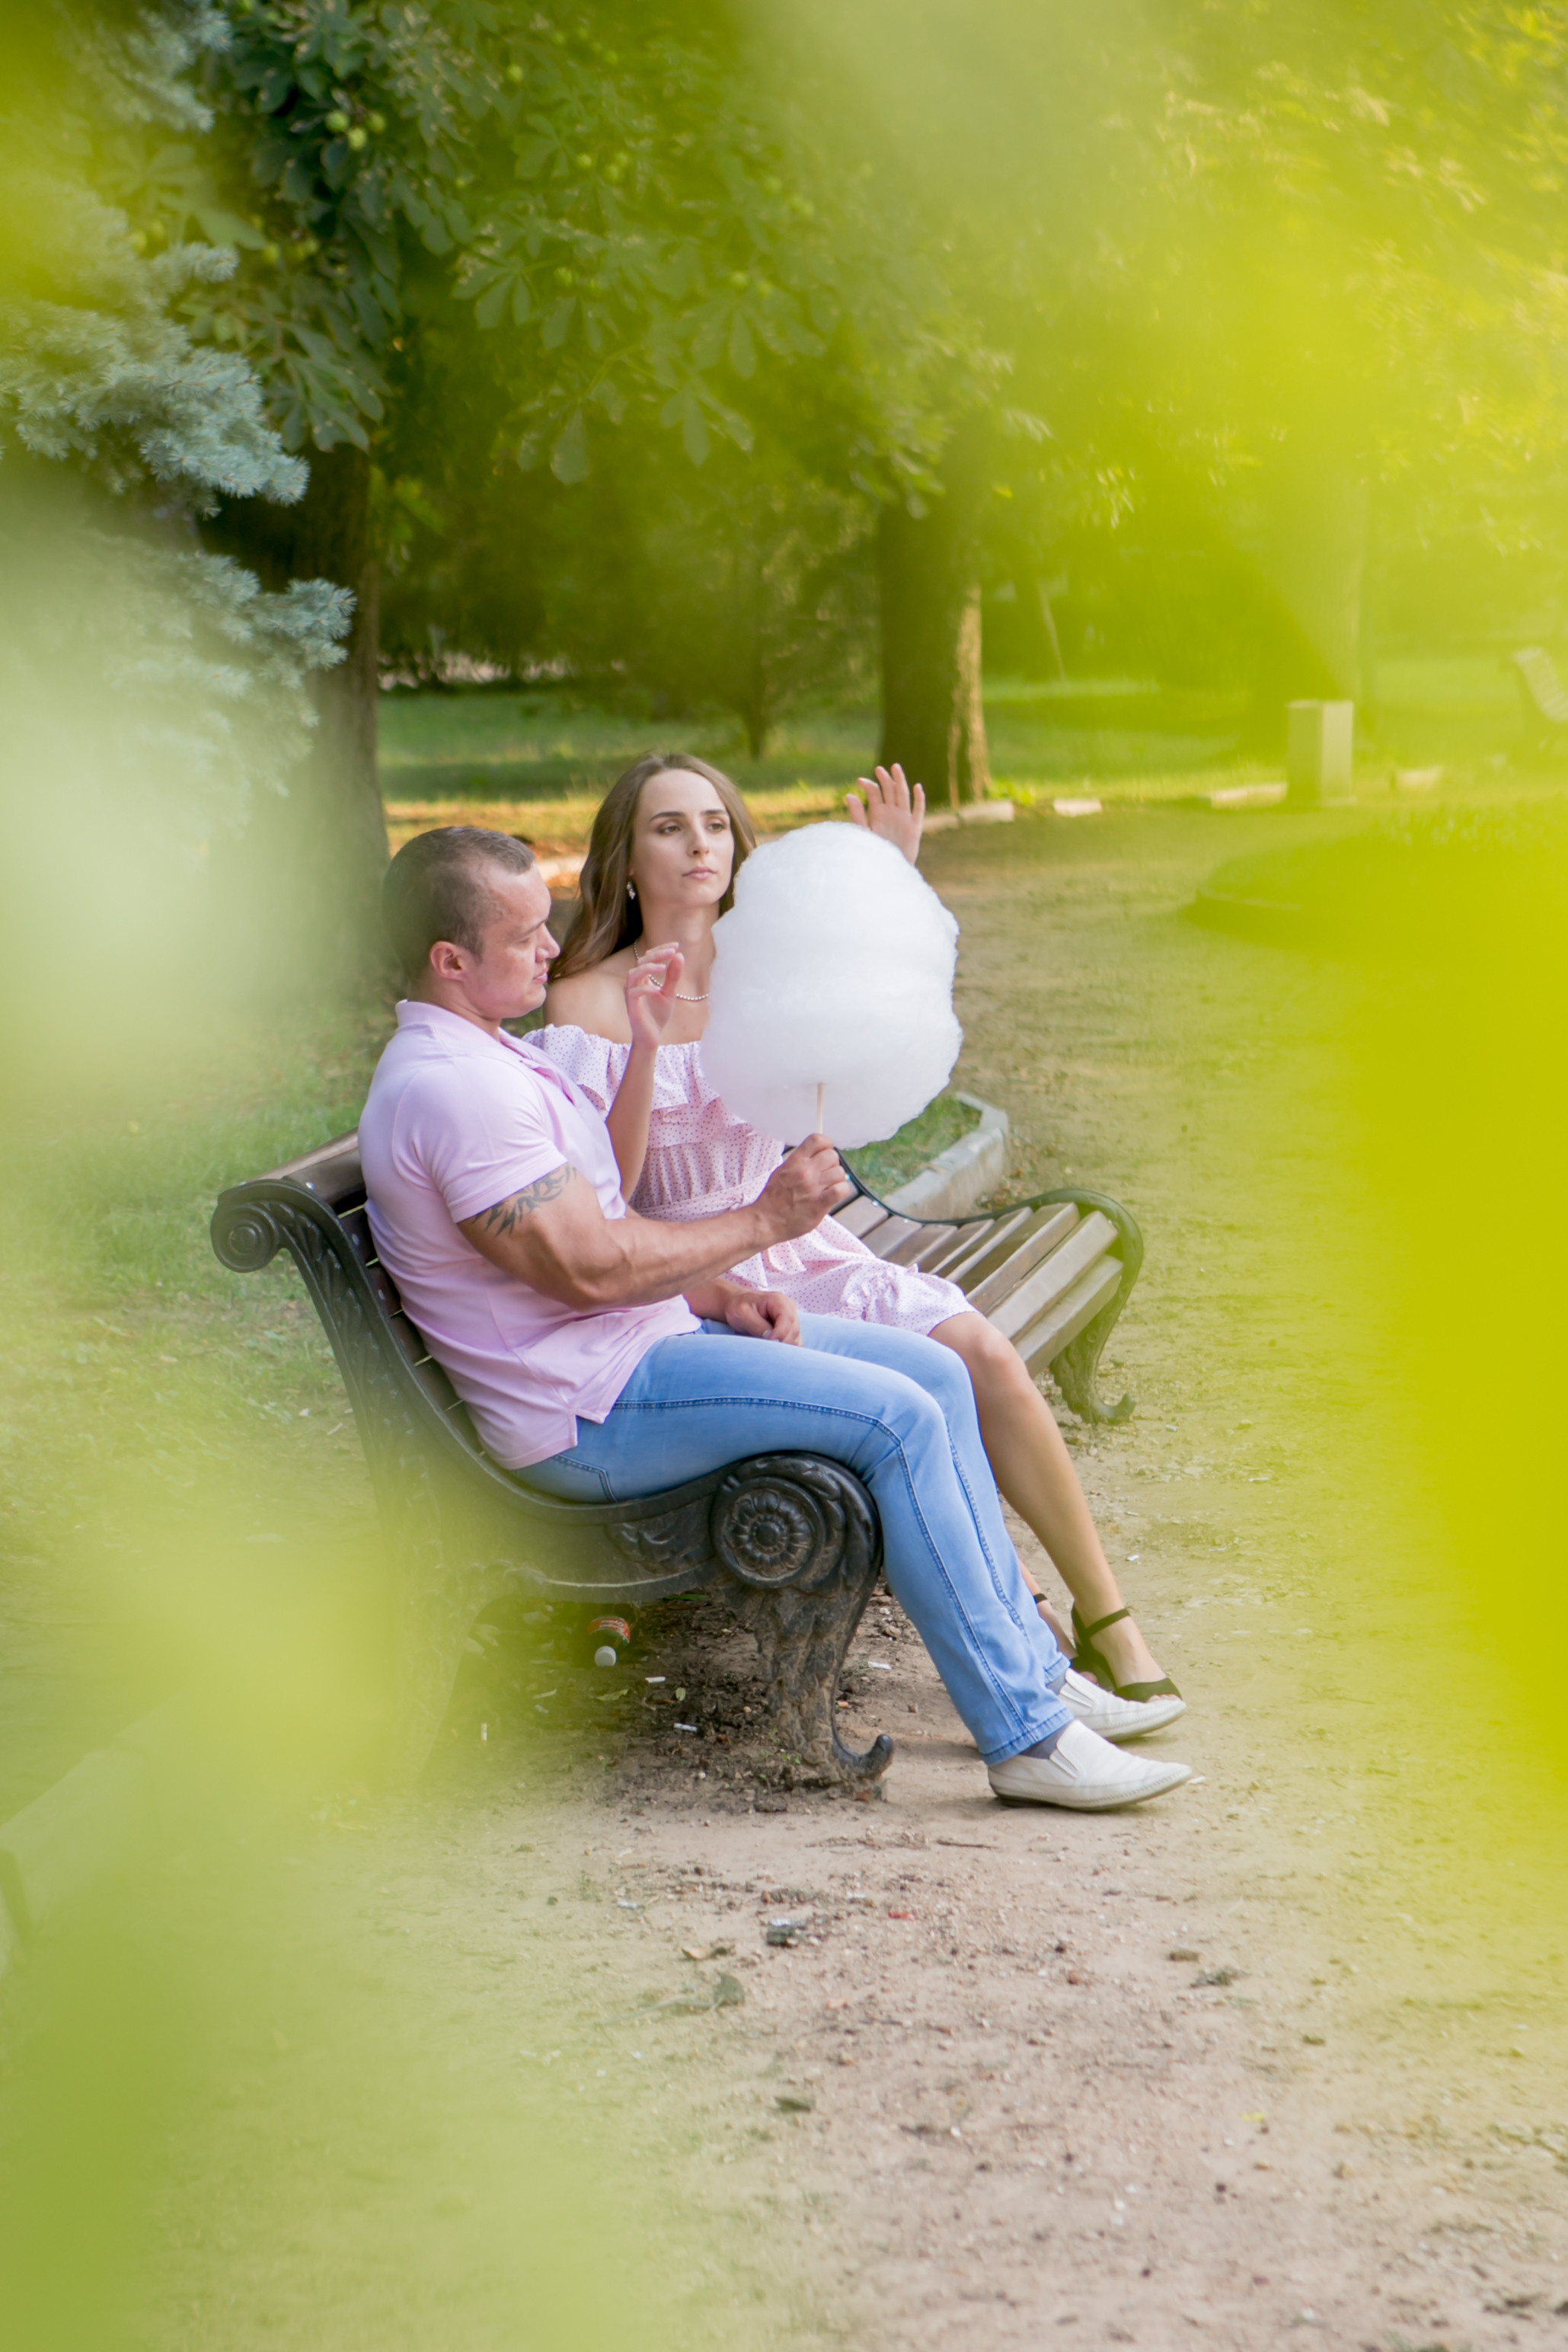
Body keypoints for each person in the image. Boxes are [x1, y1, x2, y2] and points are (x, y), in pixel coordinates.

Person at [359, 824, 1193, 1812]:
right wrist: (761, 1222)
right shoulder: (453, 1090)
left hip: (638, 1350)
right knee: (897, 1419)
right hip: (584, 1410)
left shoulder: (491, 1056)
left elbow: (599, 1218)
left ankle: (1038, 1673)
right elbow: (584, 1267)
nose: (551, 947)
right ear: (450, 961)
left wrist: (717, 1288)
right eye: (525, 935)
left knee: (934, 1371)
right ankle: (1025, 1735)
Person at [534, 754, 1180, 1709]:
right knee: (914, 1393)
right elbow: (610, 1197)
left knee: (980, 1351)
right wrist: (646, 1042)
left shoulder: (773, 965)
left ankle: (1108, 1615)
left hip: (802, 1242)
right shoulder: (584, 1000)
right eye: (669, 827)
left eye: (714, 823)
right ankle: (1024, 1610)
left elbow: (878, 1034)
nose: (700, 844)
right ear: (626, 858)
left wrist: (884, 886)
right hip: (690, 1275)